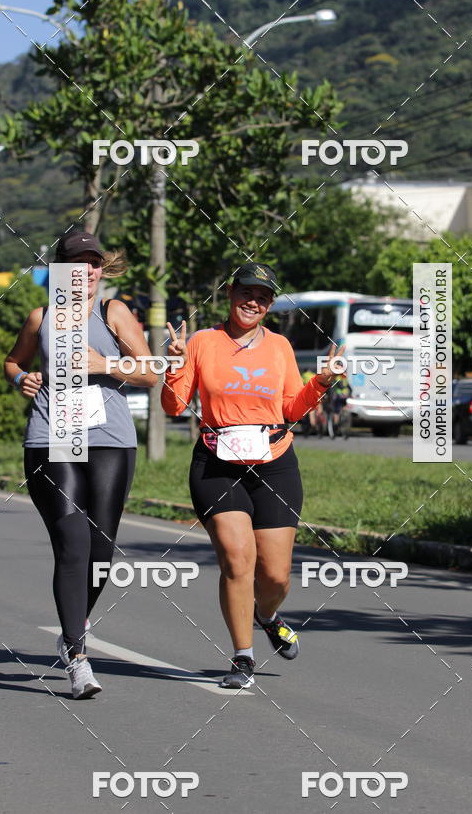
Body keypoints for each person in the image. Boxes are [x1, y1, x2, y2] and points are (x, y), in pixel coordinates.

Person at [161, 263, 342, 689]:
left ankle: (268, 615)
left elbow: (291, 409)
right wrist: (175, 365)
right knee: (237, 559)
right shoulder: (202, 342)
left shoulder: (279, 346)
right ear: (230, 292)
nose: (253, 302)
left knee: (276, 576)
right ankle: (243, 657)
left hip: (274, 462)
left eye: (263, 297)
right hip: (217, 464)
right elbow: (174, 406)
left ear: (270, 305)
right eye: (246, 292)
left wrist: (322, 382)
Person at [4, 231, 158, 699]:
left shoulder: (113, 313)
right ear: (60, 271)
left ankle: (74, 622)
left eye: (93, 263)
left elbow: (150, 373)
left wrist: (105, 364)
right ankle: (77, 655)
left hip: (111, 439)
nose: (86, 272)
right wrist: (21, 378)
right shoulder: (42, 317)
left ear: (100, 269)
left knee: (100, 551)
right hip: (52, 436)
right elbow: (13, 362)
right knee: (73, 540)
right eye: (77, 263)